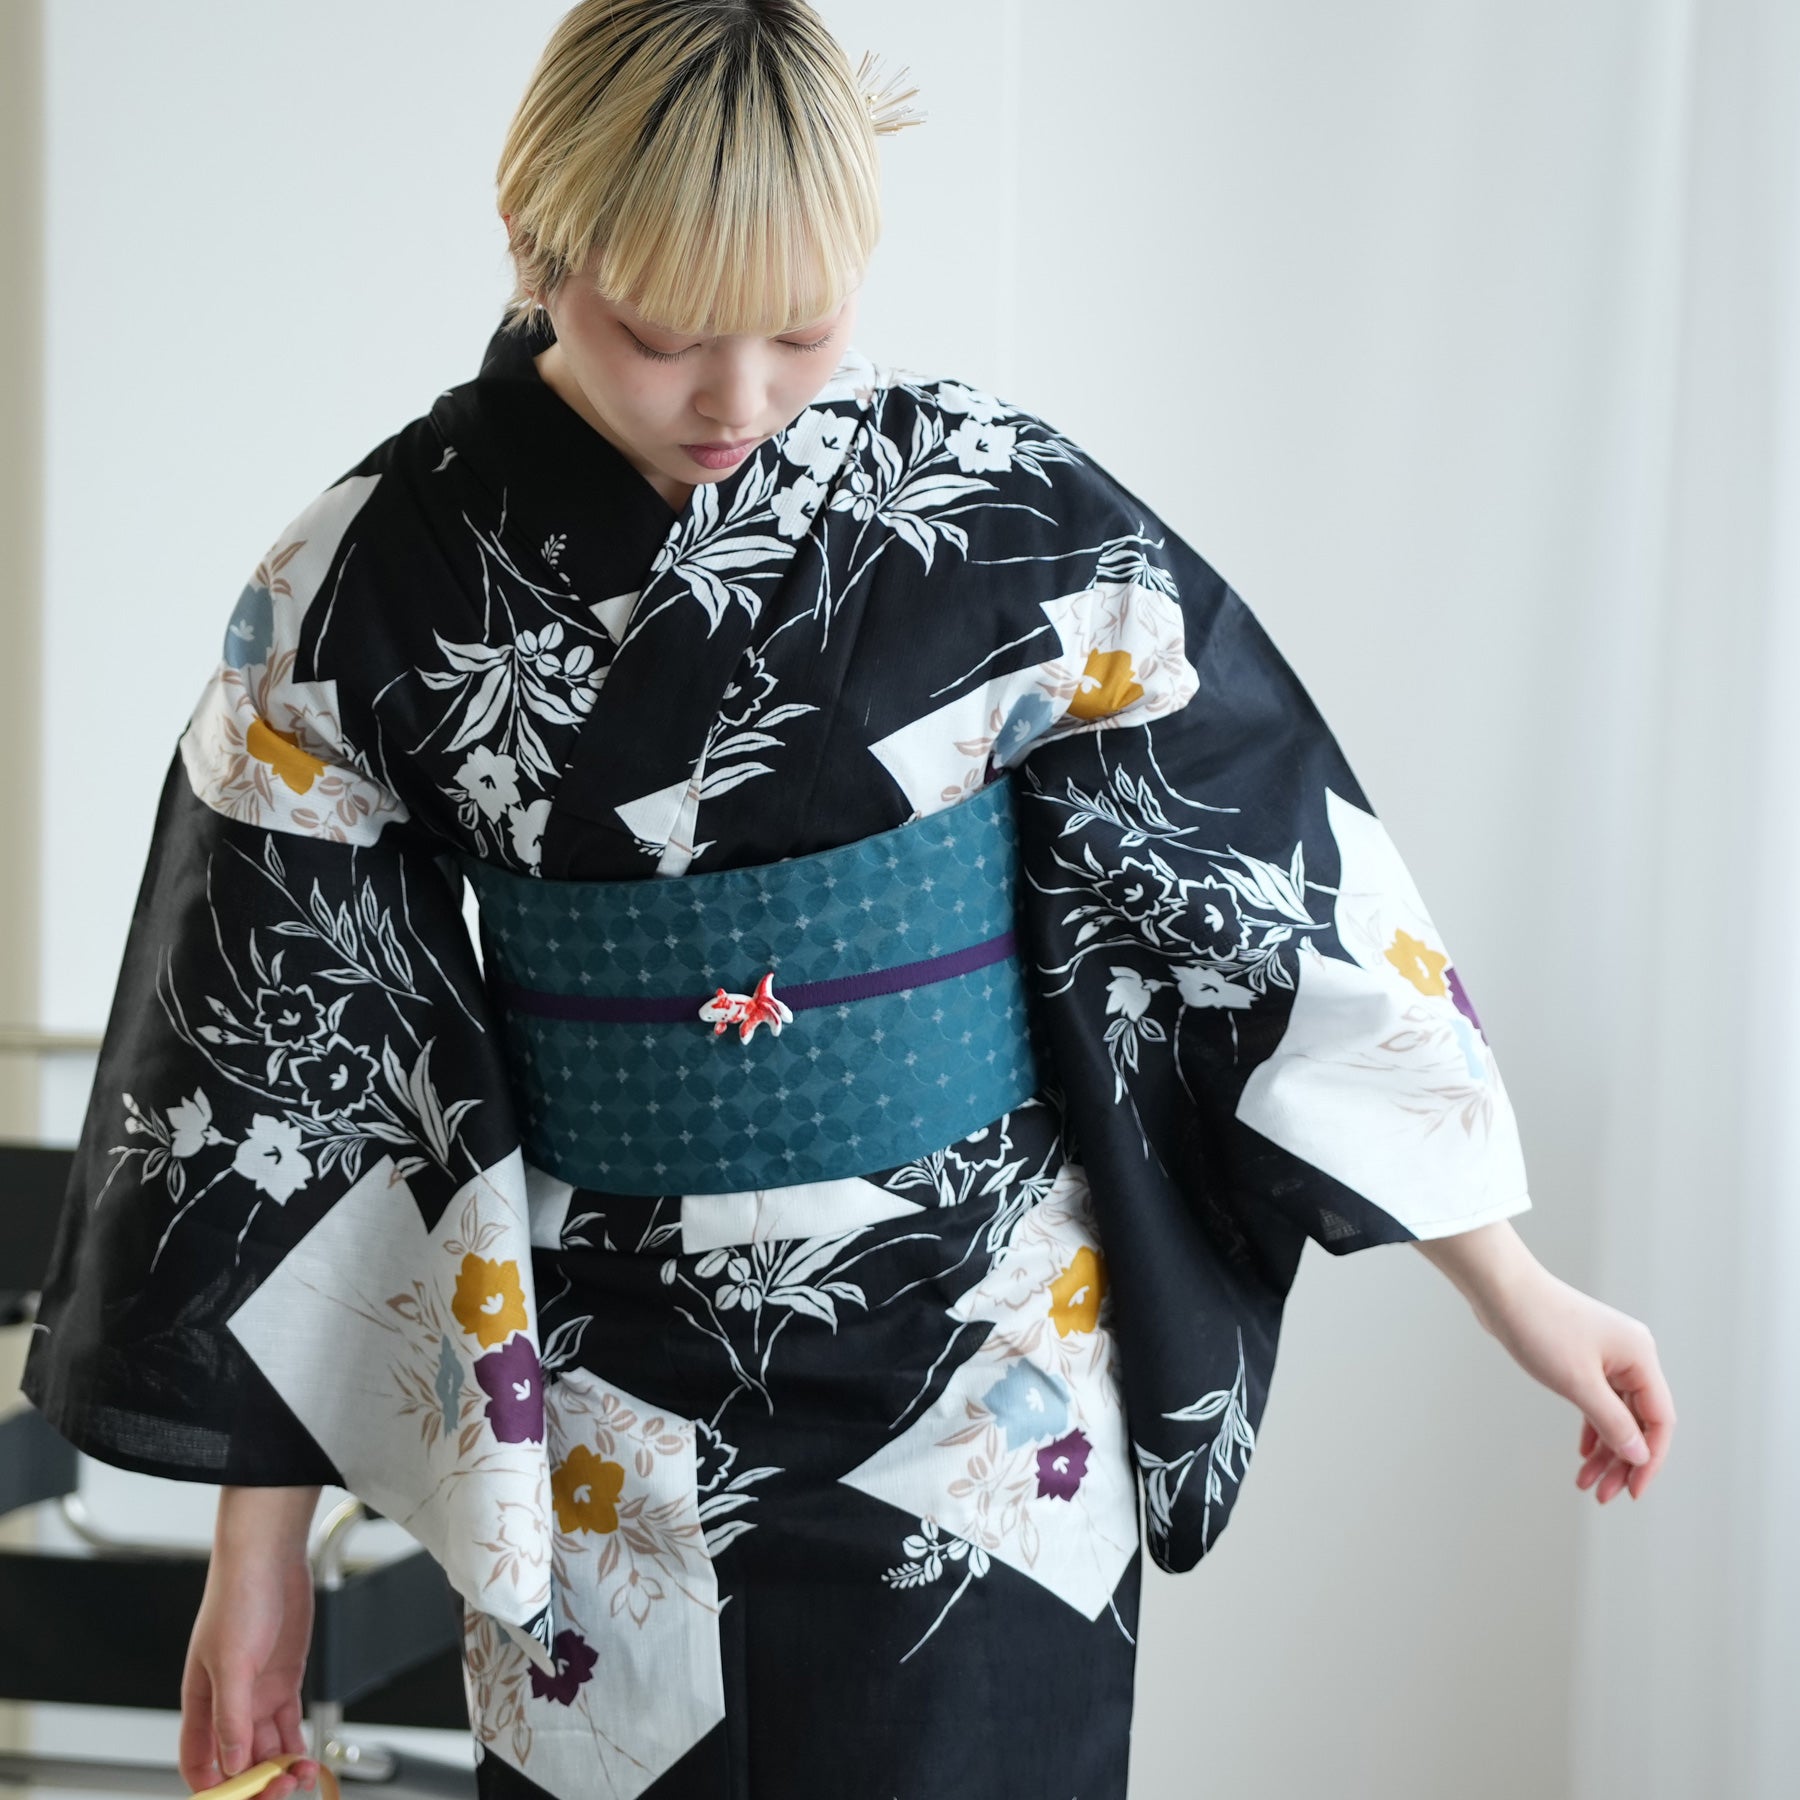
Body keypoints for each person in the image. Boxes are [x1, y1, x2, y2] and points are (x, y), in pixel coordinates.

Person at [19, 3, 1676, 1797]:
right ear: (538, 243)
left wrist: (1511, 1284)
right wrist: (255, 1559)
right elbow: (302, 1066)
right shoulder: (368, 577)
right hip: (600, 1404)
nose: (737, 399)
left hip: (981, 1393)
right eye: (666, 334)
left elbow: (1256, 882)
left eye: (802, 329)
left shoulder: (988, 510)